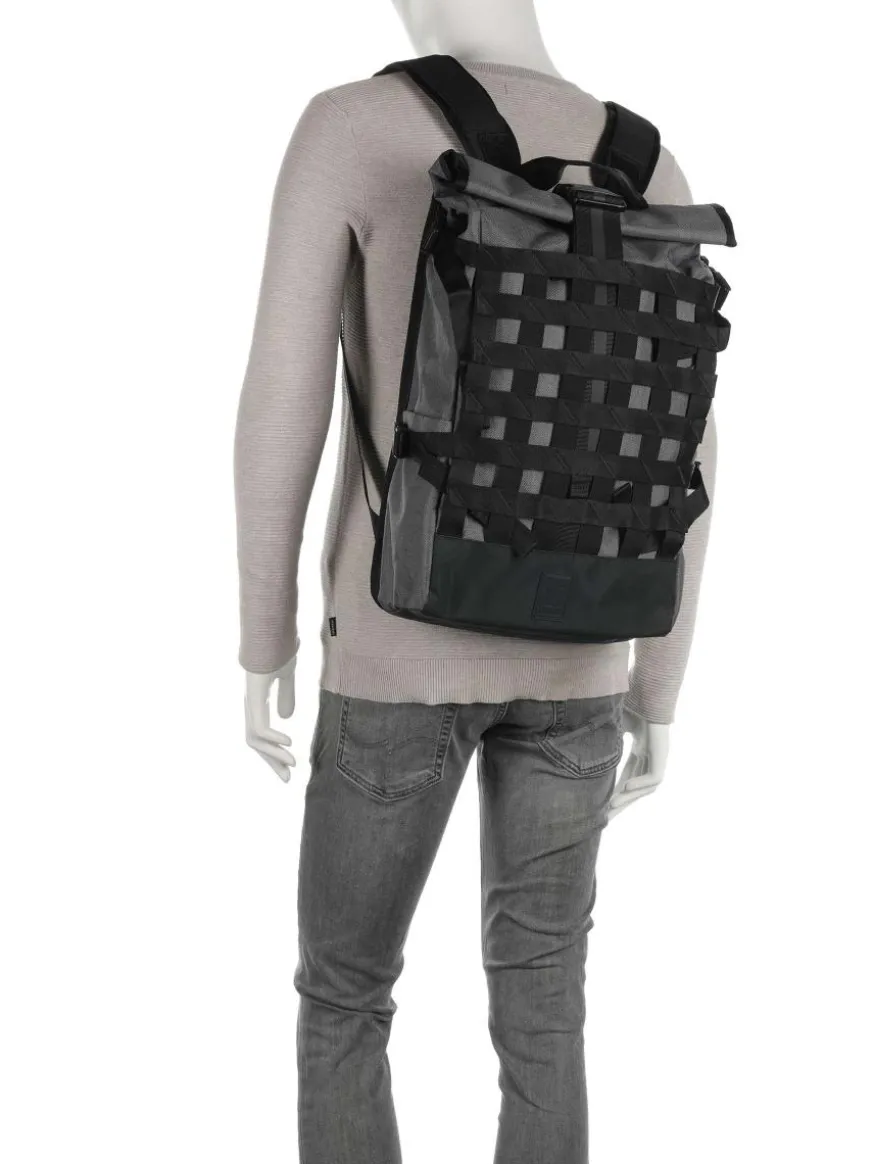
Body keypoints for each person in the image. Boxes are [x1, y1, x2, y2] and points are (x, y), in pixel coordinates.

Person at [233, 3, 717, 1159]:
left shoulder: (354, 126)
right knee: (544, 1004)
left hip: (397, 653)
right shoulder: (649, 164)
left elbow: (283, 401)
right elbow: (692, 451)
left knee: (347, 995)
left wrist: (265, 643)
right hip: (588, 663)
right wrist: (656, 691)